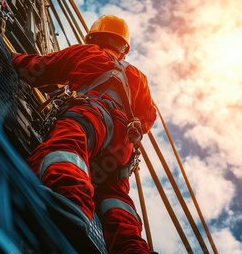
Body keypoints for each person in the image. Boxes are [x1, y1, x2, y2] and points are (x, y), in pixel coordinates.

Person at [11, 15, 156, 253]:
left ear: (94, 38)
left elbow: (40, 69)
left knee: (66, 147)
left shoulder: (86, 52)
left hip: (91, 116)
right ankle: (131, 248)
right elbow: (148, 115)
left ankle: (69, 199)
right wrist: (136, 125)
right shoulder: (139, 76)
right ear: (123, 48)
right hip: (122, 147)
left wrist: (14, 58)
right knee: (116, 198)